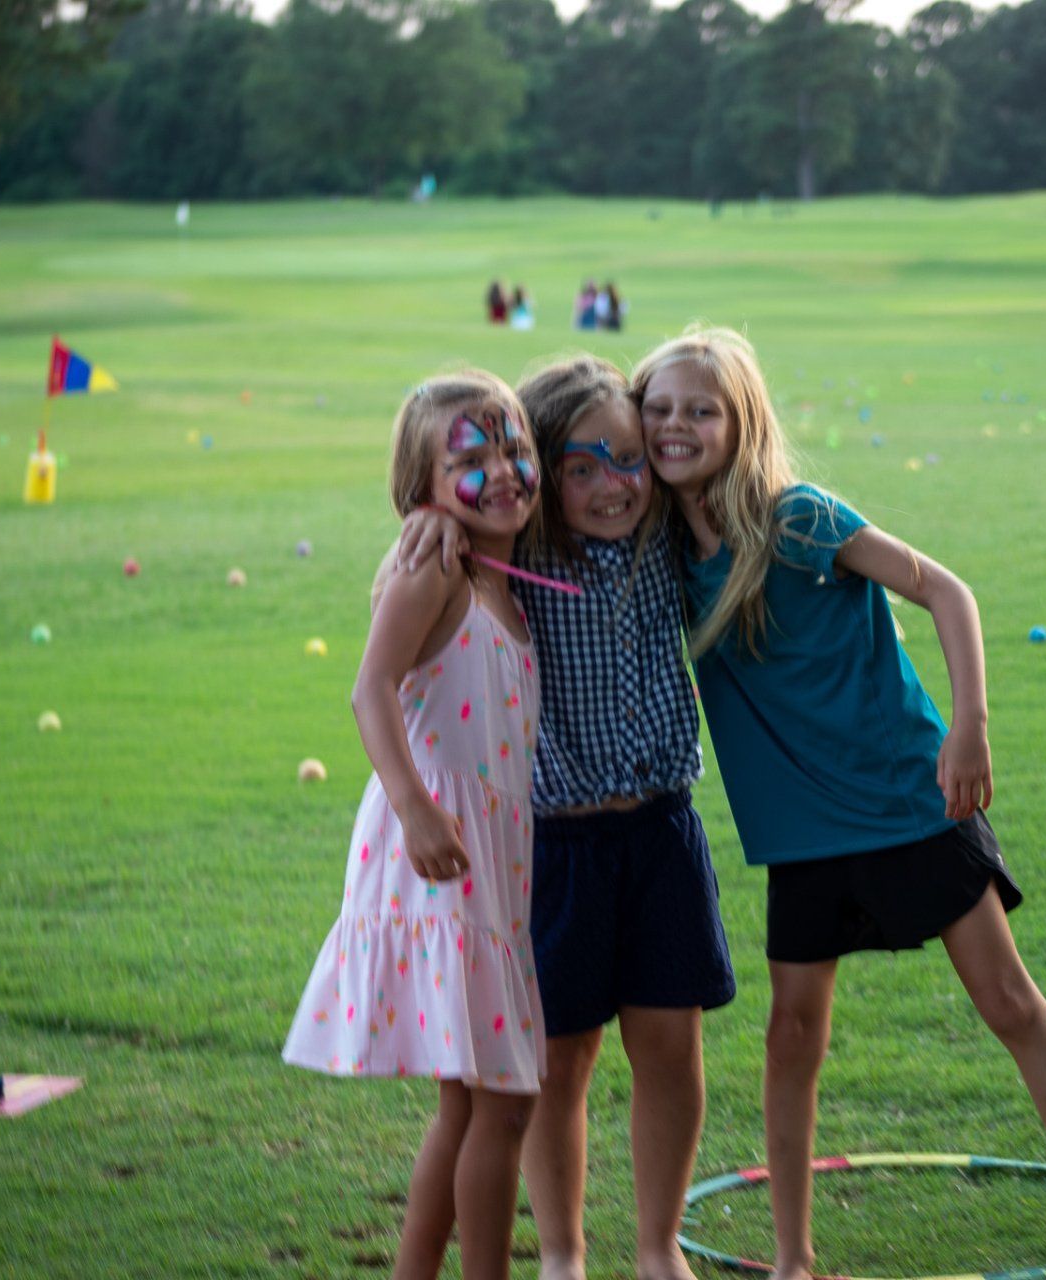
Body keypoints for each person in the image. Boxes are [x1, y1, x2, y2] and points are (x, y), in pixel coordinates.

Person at [632, 326, 1046, 1280]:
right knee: (792, 1036)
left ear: (740, 422)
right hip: (800, 835)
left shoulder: (799, 519)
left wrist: (971, 726)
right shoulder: (658, 549)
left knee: (1008, 1001)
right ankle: (794, 1257)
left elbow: (946, 591)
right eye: (658, 410)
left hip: (908, 800)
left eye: (700, 410)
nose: (676, 426)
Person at [395, 356, 736, 1280]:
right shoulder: (513, 554)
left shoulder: (668, 532)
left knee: (671, 1049)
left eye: (628, 460)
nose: (611, 485)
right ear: (546, 470)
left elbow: (718, 468)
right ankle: (562, 1254)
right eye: (580, 466)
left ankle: (658, 1247)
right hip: (555, 847)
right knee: (557, 1060)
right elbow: (453, 512)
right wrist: (431, 515)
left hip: (662, 833)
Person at [283, 369, 547, 1280]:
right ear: (423, 490)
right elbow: (371, 689)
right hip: (437, 850)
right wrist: (414, 806)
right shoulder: (436, 568)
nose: (502, 470)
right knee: (503, 1101)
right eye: (470, 459)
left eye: (514, 448)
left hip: (493, 860)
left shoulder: (507, 576)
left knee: (473, 1106)